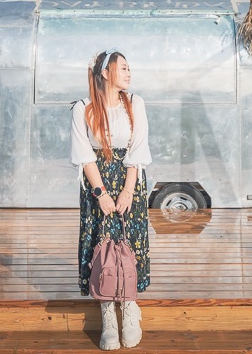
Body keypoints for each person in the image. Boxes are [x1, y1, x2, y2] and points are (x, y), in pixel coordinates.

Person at [71, 49, 152, 350]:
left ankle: (129, 305)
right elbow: (84, 155)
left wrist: (128, 190)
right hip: (97, 184)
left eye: (130, 68)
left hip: (130, 182)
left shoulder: (136, 104)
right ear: (106, 73)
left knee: (129, 242)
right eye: (124, 68)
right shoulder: (84, 108)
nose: (129, 73)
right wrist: (101, 193)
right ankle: (107, 309)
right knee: (101, 243)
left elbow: (138, 151)